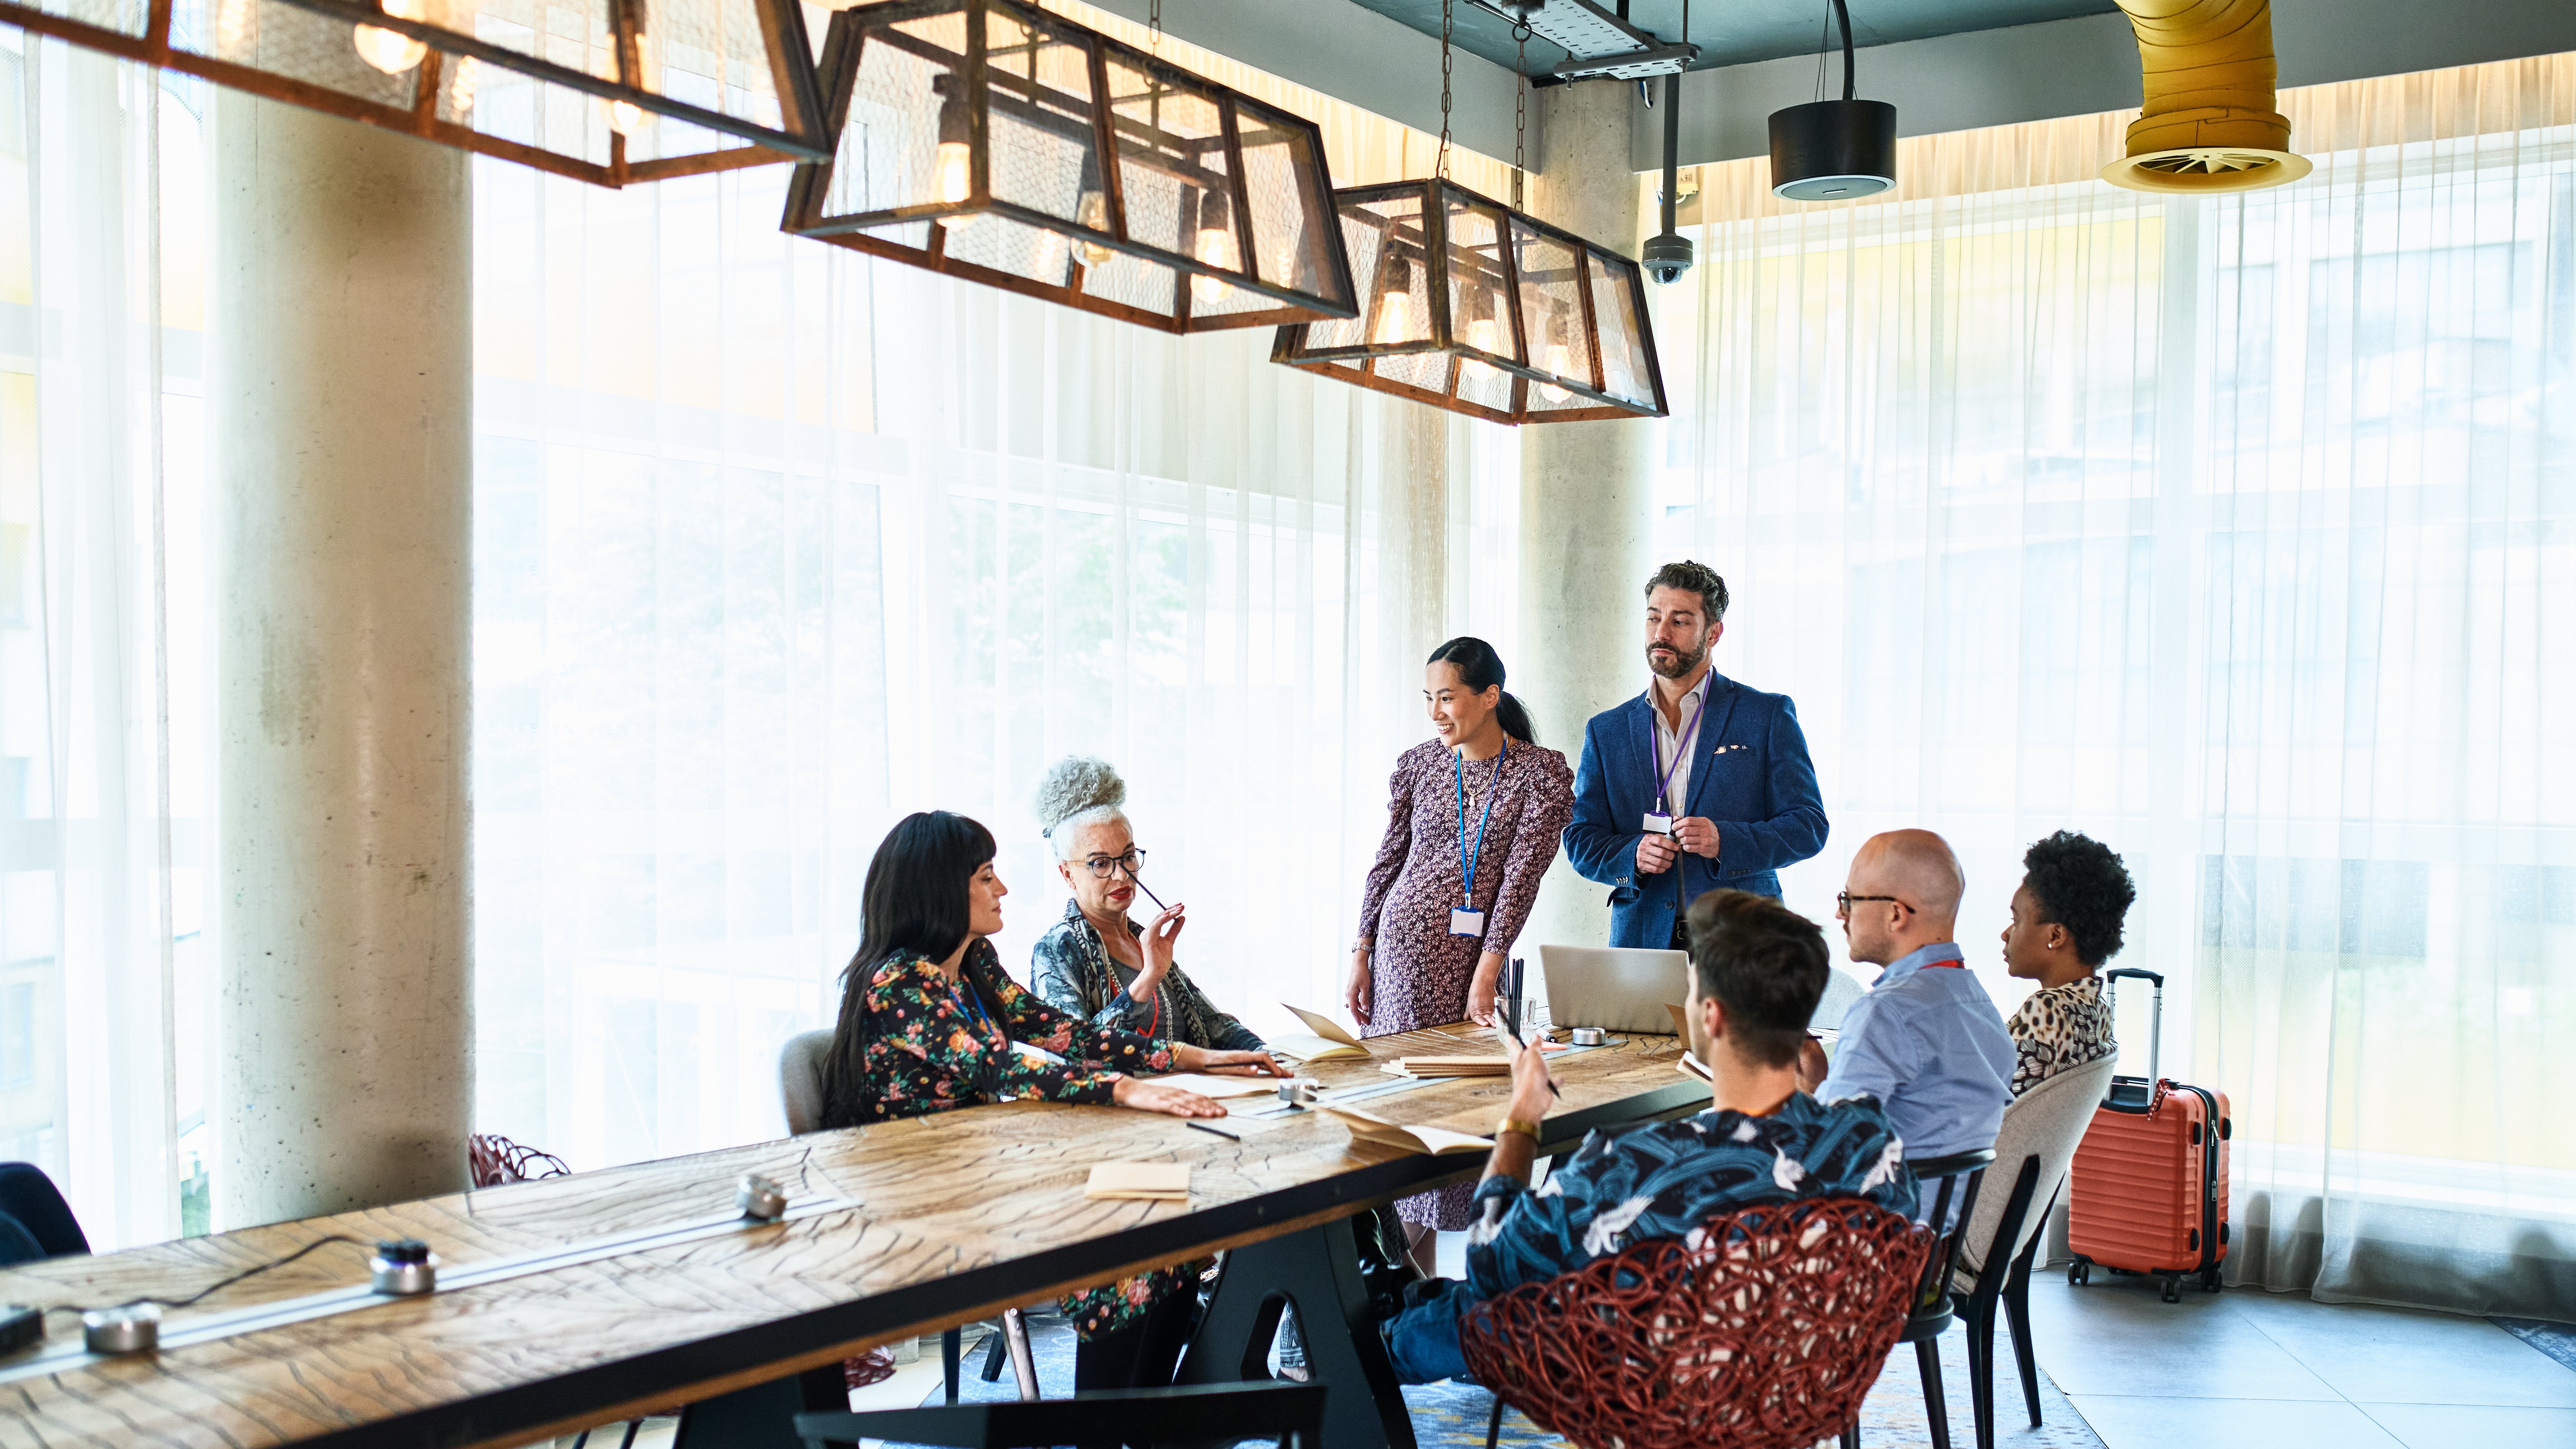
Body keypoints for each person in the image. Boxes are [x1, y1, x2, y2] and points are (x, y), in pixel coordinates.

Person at [818, 811, 1277, 1395]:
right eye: (987, 877)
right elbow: (997, 1060)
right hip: (920, 1193)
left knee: (1174, 1212)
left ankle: (1146, 1420)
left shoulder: (973, 960)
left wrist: (1184, 1056)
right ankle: (1099, 1429)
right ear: (940, 889)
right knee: (1123, 1240)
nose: (1002, 888)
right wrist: (1125, 1086)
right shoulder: (898, 982)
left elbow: (1061, 1032)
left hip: (984, 1167)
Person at [1380, 889, 1917, 1386]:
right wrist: (1807, 1088)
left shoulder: (1633, 1162)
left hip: (1629, 1382)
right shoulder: (1874, 1144)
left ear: (1709, 1015)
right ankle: (1389, 1296)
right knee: (1451, 1305)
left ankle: (1364, 1331)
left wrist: (1521, 1116)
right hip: (1779, 1382)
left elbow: (1490, 1261)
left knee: (1464, 1316)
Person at [1348, 637, 1574, 1273]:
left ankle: (1413, 1287)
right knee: (1398, 1119)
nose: (1435, 712)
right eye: (1428, 698)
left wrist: (1487, 967)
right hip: (1397, 960)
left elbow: (1520, 880)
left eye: (1445, 697)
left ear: (1489, 697)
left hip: (1469, 968)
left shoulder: (1541, 773)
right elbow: (1387, 862)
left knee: (1450, 1121)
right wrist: (1361, 948)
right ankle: (1399, 1285)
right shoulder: (1417, 764)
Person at [1564, 561, 1828, 951]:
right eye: (1654, 618)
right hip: (1644, 940)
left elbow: (1808, 827)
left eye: (1680, 621)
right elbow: (1581, 839)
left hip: (1742, 941)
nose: (1661, 634)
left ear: (1713, 633)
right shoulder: (1607, 731)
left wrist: (1726, 839)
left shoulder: (1765, 715)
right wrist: (1631, 855)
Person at [1799, 829, 2014, 1177]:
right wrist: (1816, 1088)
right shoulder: (1980, 1005)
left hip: (1876, 1226)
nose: (1841, 915)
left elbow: (1825, 1158)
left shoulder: (1885, 1013)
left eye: (1849, 900)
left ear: (1896, 915)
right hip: (1947, 1225)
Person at [1028, 756, 1274, 1057]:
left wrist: (1268, 1055)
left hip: (1188, 1094)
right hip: (1123, 1102)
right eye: (1101, 863)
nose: (1122, 875)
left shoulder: (1142, 939)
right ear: (1068, 874)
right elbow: (1073, 1052)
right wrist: (1148, 979)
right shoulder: (1057, 949)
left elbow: (1215, 1025)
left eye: (1129, 857)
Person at [1999, 830, 2131, 1097]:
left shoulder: (2048, 1009)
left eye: (2016, 921)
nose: (2006, 934)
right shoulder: (2097, 1010)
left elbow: (1992, 1107)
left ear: (2056, 936)